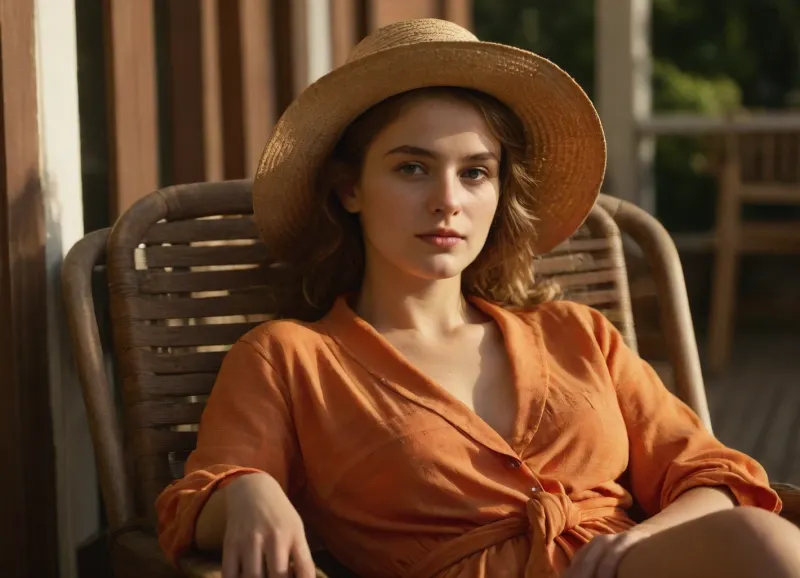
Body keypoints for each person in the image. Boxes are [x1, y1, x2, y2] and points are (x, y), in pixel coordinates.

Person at [155, 18, 800, 578]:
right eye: (412, 167)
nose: (448, 200)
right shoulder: (292, 358)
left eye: (475, 172)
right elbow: (195, 500)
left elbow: (716, 478)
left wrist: (641, 539)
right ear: (349, 188)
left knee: (764, 540)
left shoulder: (577, 335)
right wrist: (247, 491)